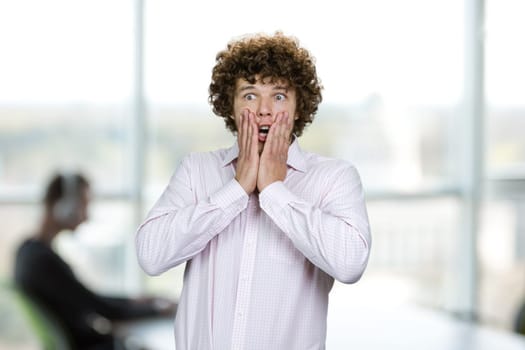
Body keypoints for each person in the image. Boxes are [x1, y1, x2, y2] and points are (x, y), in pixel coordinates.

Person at [135, 32, 372, 349]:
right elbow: (151, 256)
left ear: (298, 106)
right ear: (229, 106)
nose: (263, 110)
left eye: (278, 96)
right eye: (249, 95)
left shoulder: (334, 177)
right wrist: (236, 189)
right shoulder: (197, 170)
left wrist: (274, 190)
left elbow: (350, 263)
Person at [14, 172, 177, 350]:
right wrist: (157, 310)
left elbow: (87, 298)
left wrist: (134, 301)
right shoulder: (42, 261)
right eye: (83, 205)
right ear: (64, 206)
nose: (86, 216)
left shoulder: (27, 251)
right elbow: (100, 308)